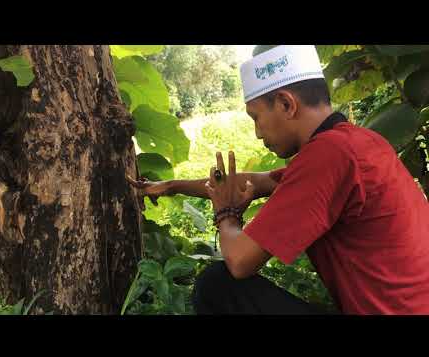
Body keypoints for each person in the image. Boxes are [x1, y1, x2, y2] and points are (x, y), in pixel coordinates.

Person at [126, 45, 429, 315]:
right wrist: (171, 186)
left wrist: (226, 215)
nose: (257, 132)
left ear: (286, 104)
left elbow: (240, 260)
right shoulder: (357, 142)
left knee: (217, 286)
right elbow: (255, 183)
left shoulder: (329, 155)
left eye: (255, 117)